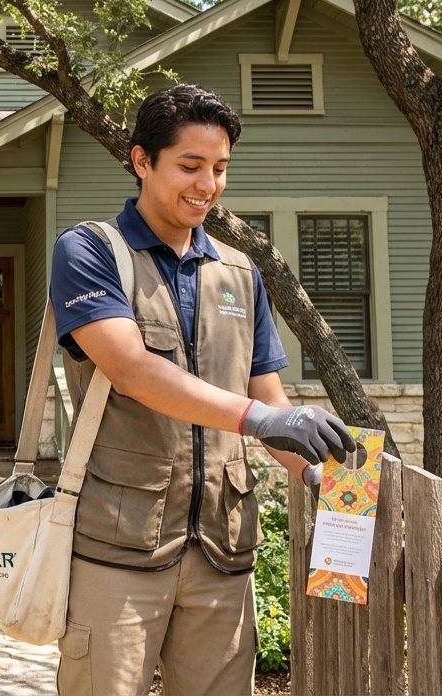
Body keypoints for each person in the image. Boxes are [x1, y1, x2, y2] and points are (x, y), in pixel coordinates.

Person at [49, 83, 356, 696]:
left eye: (220, 169)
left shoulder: (240, 275)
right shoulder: (89, 252)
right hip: (118, 547)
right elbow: (132, 369)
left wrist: (324, 477)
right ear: (142, 161)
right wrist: (259, 421)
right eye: (189, 166)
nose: (207, 185)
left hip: (223, 547)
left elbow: (272, 403)